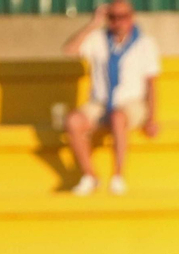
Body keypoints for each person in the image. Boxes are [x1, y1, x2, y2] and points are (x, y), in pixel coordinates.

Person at [62, 1, 161, 196]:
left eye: (122, 17)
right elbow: (69, 50)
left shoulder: (145, 43)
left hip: (131, 103)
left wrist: (152, 118)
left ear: (131, 17)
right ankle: (90, 175)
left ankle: (118, 176)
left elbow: (151, 84)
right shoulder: (98, 39)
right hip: (100, 103)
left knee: (118, 116)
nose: (118, 22)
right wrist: (93, 24)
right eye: (112, 17)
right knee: (73, 121)